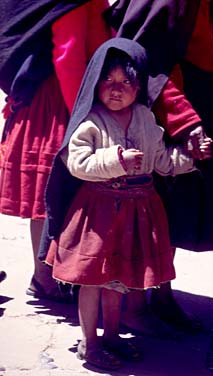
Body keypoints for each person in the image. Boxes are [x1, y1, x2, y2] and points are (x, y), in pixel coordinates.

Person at [40, 38, 212, 370]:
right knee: (94, 279)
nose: (116, 89)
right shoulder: (90, 123)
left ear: (140, 86)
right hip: (99, 211)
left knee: (119, 278)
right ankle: (90, 343)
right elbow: (77, 164)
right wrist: (115, 159)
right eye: (108, 81)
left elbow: (161, 161)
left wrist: (191, 157)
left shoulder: (146, 119)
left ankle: (113, 336)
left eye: (126, 82)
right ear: (95, 82)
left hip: (138, 210)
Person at [104, 0, 213, 334]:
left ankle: (162, 294)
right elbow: (147, 61)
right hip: (166, 115)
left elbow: (196, 39)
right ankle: (135, 308)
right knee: (149, 212)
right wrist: (185, 123)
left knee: (174, 215)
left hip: (197, 100)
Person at [0, 0, 112, 302]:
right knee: (50, 193)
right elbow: (68, 55)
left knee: (50, 195)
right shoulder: (72, 2)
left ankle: (47, 275)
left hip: (39, 93)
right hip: (58, 100)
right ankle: (45, 279)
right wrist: (84, 113)